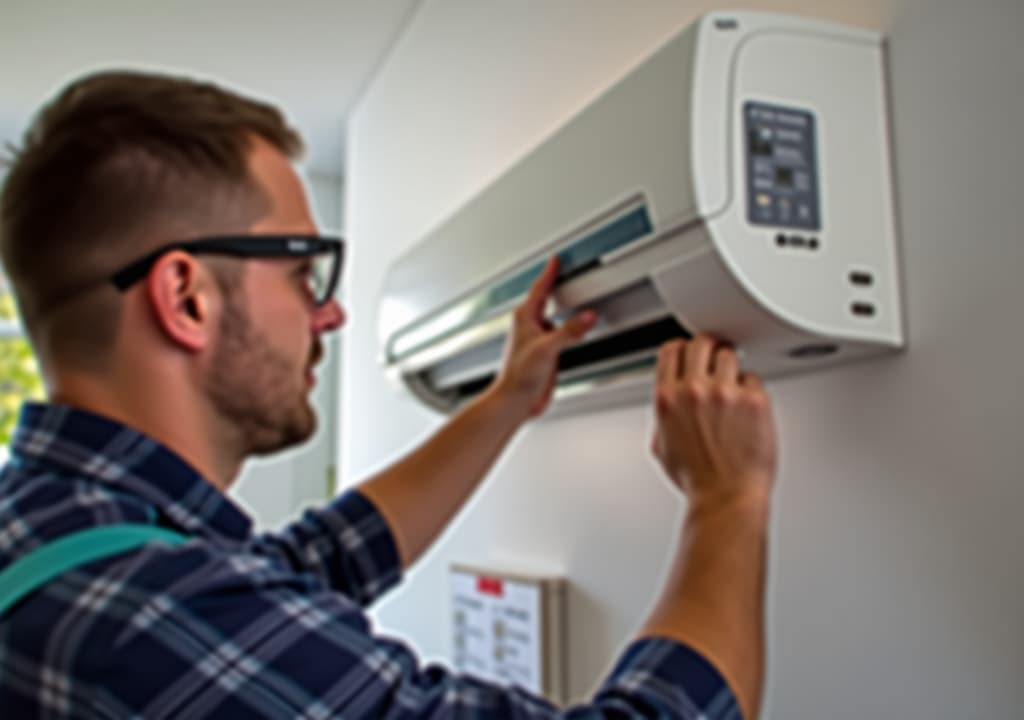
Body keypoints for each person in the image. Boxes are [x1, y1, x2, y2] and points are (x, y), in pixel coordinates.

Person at [0, 71, 777, 719]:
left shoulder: (58, 531)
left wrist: (505, 400)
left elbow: (312, 564)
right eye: (304, 270)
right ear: (188, 298)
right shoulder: (146, 619)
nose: (328, 311)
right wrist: (726, 501)